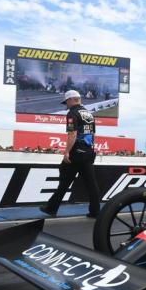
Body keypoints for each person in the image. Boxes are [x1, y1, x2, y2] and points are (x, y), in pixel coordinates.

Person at [40, 90, 101, 218]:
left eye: (66, 102)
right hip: (89, 151)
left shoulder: (72, 113)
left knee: (64, 180)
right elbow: (93, 134)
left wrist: (67, 152)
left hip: (77, 152)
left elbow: (72, 134)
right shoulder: (89, 113)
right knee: (91, 183)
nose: (66, 105)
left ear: (72, 100)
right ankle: (95, 211)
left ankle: (51, 208)